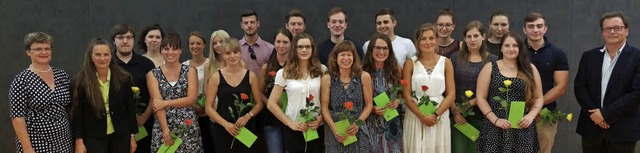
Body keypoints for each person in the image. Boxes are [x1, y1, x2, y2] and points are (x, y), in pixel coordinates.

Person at [574, 12, 640, 153]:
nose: (612, 32)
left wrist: (606, 114)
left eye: (617, 28)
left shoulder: (637, 57)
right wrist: (596, 115)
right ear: (602, 32)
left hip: (623, 128)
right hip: (591, 127)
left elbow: (636, 93)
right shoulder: (589, 56)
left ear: (626, 31)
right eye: (607, 28)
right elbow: (580, 88)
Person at [475, 32, 543, 153]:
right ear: (501, 48)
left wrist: (530, 116)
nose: (511, 49)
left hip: (522, 126)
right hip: (495, 126)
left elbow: (538, 98)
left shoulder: (530, 69)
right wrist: (495, 120)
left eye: (515, 45)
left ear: (520, 48)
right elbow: (480, 97)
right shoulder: (490, 67)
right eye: (507, 45)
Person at [9, 32, 73, 153]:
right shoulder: (21, 80)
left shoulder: (62, 75)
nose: (44, 52)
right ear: (28, 52)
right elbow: (17, 117)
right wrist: (27, 148)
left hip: (65, 142)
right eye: (38, 49)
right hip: (36, 143)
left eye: (47, 48)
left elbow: (70, 108)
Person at [71, 38, 138, 153]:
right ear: (91, 57)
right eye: (98, 54)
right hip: (93, 138)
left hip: (120, 136)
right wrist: (79, 141)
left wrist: (132, 136)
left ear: (111, 56)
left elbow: (130, 109)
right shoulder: (80, 81)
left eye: (106, 54)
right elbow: (77, 113)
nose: (102, 58)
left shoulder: (124, 78)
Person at [266, 33, 326, 153]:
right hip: (293, 129)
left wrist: (321, 119)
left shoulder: (322, 70)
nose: (304, 50)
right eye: (300, 47)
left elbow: (327, 101)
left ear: (312, 49)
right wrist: (290, 123)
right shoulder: (284, 72)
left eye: (308, 47)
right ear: (294, 49)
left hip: (315, 127)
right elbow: (271, 104)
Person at [401, 23, 455, 153]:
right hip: (415, 116)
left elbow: (451, 94)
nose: (428, 42)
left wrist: (435, 115)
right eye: (423, 38)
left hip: (439, 116)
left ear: (436, 40)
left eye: (431, 38)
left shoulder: (446, 62)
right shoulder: (410, 63)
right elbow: (406, 95)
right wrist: (422, 116)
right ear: (417, 42)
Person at [148, 32, 203, 152]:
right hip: (163, 127)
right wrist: (165, 129)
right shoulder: (153, 74)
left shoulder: (190, 71)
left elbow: (191, 99)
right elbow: (157, 104)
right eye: (166, 49)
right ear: (161, 51)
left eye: (174, 49)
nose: (170, 52)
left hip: (187, 125)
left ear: (181, 51)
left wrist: (165, 103)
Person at [205, 38, 264, 152]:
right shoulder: (216, 77)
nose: (232, 56)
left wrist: (248, 116)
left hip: (246, 127)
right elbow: (208, 108)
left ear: (240, 53)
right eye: (228, 53)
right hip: (223, 128)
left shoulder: (250, 76)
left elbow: (259, 104)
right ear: (222, 55)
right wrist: (225, 124)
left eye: (235, 52)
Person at [522, 12, 569, 153]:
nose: (535, 30)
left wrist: (536, 106)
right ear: (525, 30)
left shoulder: (557, 53)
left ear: (545, 29)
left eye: (539, 26)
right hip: (518, 111)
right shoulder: (515, 51)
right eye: (531, 26)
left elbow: (561, 87)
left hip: (545, 113)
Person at [449, 21, 498, 153]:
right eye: (469, 36)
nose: (472, 40)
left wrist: (472, 103)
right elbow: (449, 86)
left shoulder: (493, 60)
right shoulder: (455, 58)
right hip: (458, 116)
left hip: (482, 115)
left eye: (476, 36)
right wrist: (455, 110)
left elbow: (493, 89)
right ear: (464, 39)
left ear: (483, 36)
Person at [111, 23, 156, 153]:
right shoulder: (108, 64)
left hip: (144, 124)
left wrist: (145, 116)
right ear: (114, 41)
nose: (125, 41)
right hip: (117, 126)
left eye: (129, 37)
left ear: (134, 40)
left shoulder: (146, 63)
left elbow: (155, 94)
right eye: (120, 37)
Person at [321, 40, 373, 152]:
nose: (346, 58)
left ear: (354, 57)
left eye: (349, 55)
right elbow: (324, 108)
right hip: (336, 131)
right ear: (335, 58)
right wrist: (334, 129)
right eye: (342, 55)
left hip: (357, 129)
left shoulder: (364, 76)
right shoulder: (327, 78)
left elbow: (369, 105)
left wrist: (358, 123)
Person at [361, 33, 403, 153]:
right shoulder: (362, 70)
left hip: (392, 124)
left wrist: (397, 101)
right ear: (371, 49)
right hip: (371, 123)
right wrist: (372, 108)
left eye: (385, 48)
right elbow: (357, 98)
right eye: (377, 48)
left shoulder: (396, 69)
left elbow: (402, 93)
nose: (381, 51)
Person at [259, 28, 292, 153]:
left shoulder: (296, 68)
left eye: (285, 42)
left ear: (291, 44)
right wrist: (270, 102)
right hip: (271, 119)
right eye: (278, 42)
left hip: (291, 117)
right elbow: (259, 93)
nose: (281, 45)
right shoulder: (266, 68)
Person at [182, 31, 214, 152]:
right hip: (191, 113)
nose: (195, 46)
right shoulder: (184, 66)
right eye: (192, 43)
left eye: (198, 43)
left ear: (204, 45)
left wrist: (205, 106)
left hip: (208, 113)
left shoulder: (210, 63)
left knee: (209, 145)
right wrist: (193, 105)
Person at [239, 10, 275, 77]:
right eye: (246, 23)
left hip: (263, 86)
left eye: (252, 22)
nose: (249, 25)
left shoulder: (270, 49)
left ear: (258, 24)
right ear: (241, 25)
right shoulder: (235, 48)